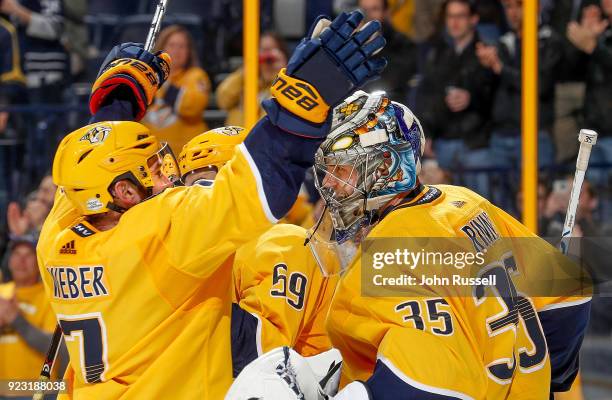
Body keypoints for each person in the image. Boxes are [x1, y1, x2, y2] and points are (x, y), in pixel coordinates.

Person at [37, 10, 386, 398]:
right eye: (153, 169)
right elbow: (259, 184)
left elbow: (87, 164)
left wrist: (118, 104)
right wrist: (308, 95)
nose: (168, 176)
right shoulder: (160, 232)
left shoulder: (57, 237)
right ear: (124, 193)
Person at [229, 91, 590, 399]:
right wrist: (546, 377)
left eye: (344, 170)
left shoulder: (387, 254)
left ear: (387, 165)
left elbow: (432, 386)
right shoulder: (465, 203)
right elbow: (570, 291)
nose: (332, 185)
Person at [177, 128, 340, 378]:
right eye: (186, 187)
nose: (193, 199)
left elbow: (264, 355)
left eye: (204, 184)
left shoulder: (284, 242)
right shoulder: (218, 248)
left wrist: (179, 297)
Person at [416, 0, 495, 196]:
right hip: (445, 143)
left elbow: (497, 95)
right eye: (450, 16)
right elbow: (429, 95)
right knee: (444, 206)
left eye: (460, 16)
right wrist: (428, 132)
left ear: (473, 19)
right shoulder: (438, 53)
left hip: (476, 145)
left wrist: (471, 98)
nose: (454, 22)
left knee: (481, 206)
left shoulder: (487, 52)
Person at [476, 0, 563, 170]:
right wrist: (484, 68)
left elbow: (541, 85)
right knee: (497, 197)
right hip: (500, 136)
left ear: (536, 7)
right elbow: (486, 91)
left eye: (519, 5)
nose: (513, 12)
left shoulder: (550, 41)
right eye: (508, 7)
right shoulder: (502, 43)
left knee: (537, 194)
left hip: (536, 136)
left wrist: (500, 68)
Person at [0, 237, 65, 383]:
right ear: (9, 261)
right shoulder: (1, 292)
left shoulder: (52, 297)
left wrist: (16, 320)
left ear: (38, 263)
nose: (21, 260)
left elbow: (57, 348)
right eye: (16, 254)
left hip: (35, 389)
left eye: (28, 255)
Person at [143, 25, 212, 153]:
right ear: (161, 48)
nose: (176, 51)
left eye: (182, 46)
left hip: (186, 157)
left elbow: (193, 107)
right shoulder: (146, 76)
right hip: (150, 158)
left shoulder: (196, 75)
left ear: (189, 51)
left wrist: (164, 83)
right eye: (172, 45)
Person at [566, 0, 612, 184]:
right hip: (594, 126)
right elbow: (570, 72)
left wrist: (593, 47)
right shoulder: (600, 33)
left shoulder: (598, 42)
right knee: (591, 190)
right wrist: (582, 45)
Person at [216, 31, 289, 128]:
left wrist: (281, 72)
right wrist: (246, 70)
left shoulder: (285, 85)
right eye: (263, 50)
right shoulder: (245, 80)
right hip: (236, 139)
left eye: (271, 50)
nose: (267, 60)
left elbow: (271, 119)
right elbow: (222, 100)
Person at [359, 0, 417, 102]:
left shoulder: (403, 44)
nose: (368, 16)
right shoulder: (351, 43)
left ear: (386, 12)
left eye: (374, 9)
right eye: (364, 10)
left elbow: (395, 80)